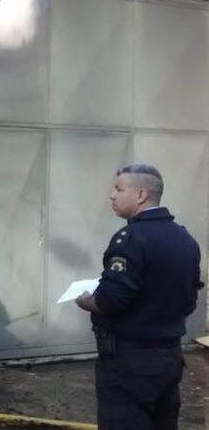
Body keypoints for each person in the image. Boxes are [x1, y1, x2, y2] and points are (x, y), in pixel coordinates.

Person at [75, 163, 204, 430]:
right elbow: (189, 298)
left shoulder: (131, 239)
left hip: (128, 361)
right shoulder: (184, 239)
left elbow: (112, 300)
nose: (112, 195)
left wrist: (87, 301)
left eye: (118, 189)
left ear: (141, 195)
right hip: (168, 356)